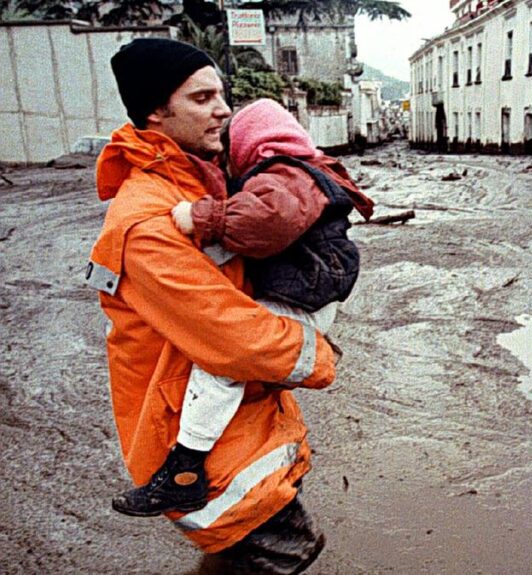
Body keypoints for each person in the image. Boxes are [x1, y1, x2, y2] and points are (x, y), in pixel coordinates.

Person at [87, 38, 336, 574]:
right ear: (155, 112)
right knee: (282, 556)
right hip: (198, 447)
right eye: (201, 98)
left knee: (255, 559)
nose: (223, 110)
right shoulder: (147, 223)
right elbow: (233, 336)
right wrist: (320, 354)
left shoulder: (199, 183)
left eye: (221, 95)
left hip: (235, 425)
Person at [111, 97, 373, 520]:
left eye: (231, 151)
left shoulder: (286, 176)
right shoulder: (295, 172)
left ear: (256, 145)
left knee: (220, 362)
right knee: (231, 363)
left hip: (303, 297)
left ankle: (185, 469)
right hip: (304, 293)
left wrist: (205, 218)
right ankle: (191, 470)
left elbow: (265, 221)